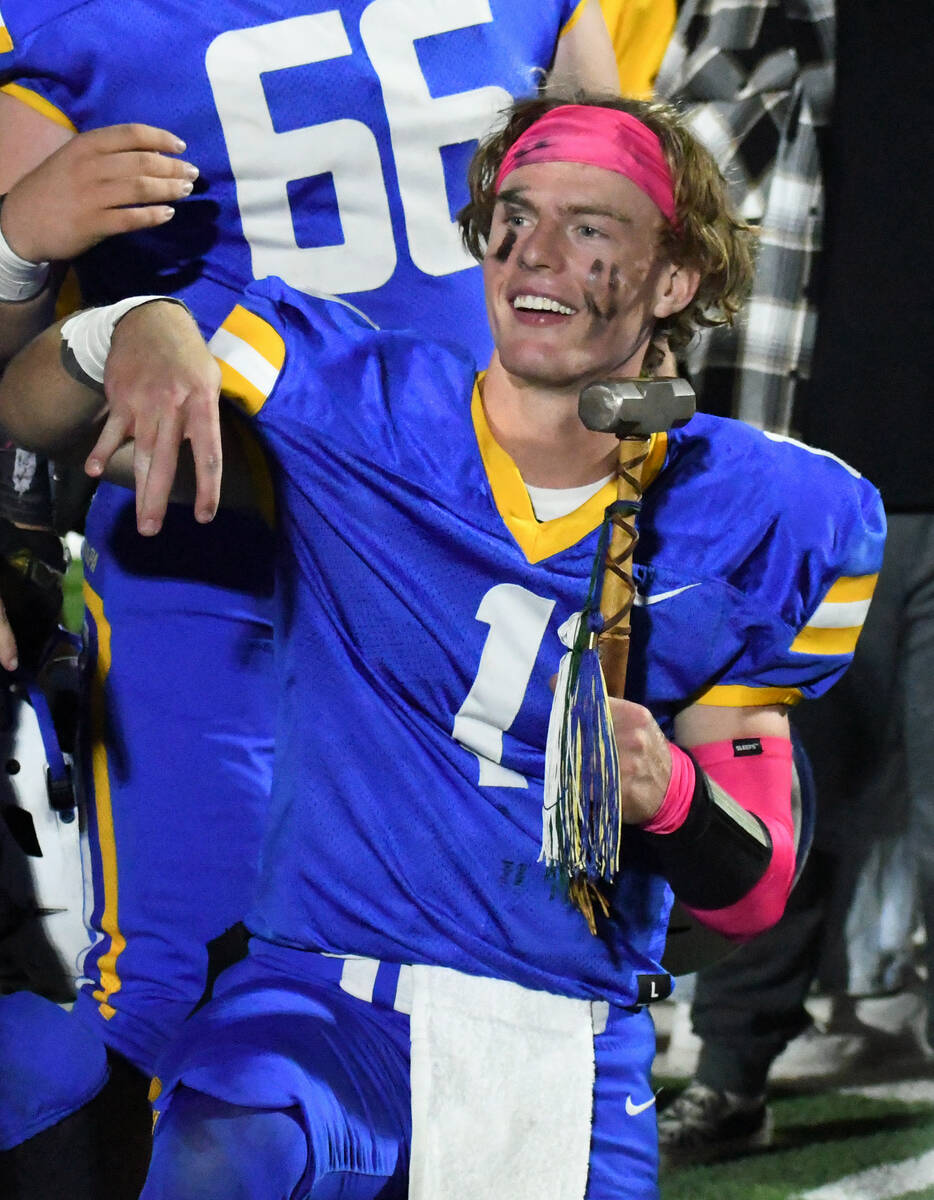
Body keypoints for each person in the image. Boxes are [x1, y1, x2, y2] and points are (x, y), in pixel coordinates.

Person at [0, 90, 884, 1200]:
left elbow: (750, 896)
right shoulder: (350, 404)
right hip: (326, 1008)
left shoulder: (774, 511)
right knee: (230, 1142)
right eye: (513, 216)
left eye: (589, 225)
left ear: (674, 278)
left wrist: (669, 799)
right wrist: (128, 329)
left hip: (568, 1045)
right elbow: (33, 411)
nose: (535, 254)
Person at [0, 3, 619, 1195]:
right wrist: (23, 246)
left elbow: (630, 215)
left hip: (482, 560)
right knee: (186, 1000)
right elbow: (17, 374)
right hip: (217, 555)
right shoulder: (72, 26)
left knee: (505, 1008)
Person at [652, 1, 933, 1163]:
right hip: (808, 502)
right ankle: (728, 1071)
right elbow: (674, 182)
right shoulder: (766, 15)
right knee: (770, 787)